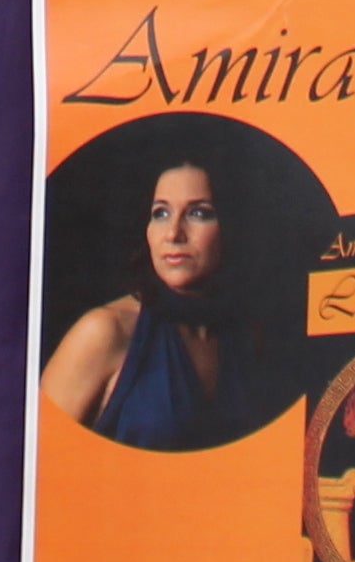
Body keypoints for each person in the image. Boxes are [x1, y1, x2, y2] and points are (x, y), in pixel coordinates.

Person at [38, 158, 244, 451]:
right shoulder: (103, 332)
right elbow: (34, 467)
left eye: (198, 213)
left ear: (232, 224)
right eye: (160, 213)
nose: (173, 234)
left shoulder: (246, 336)